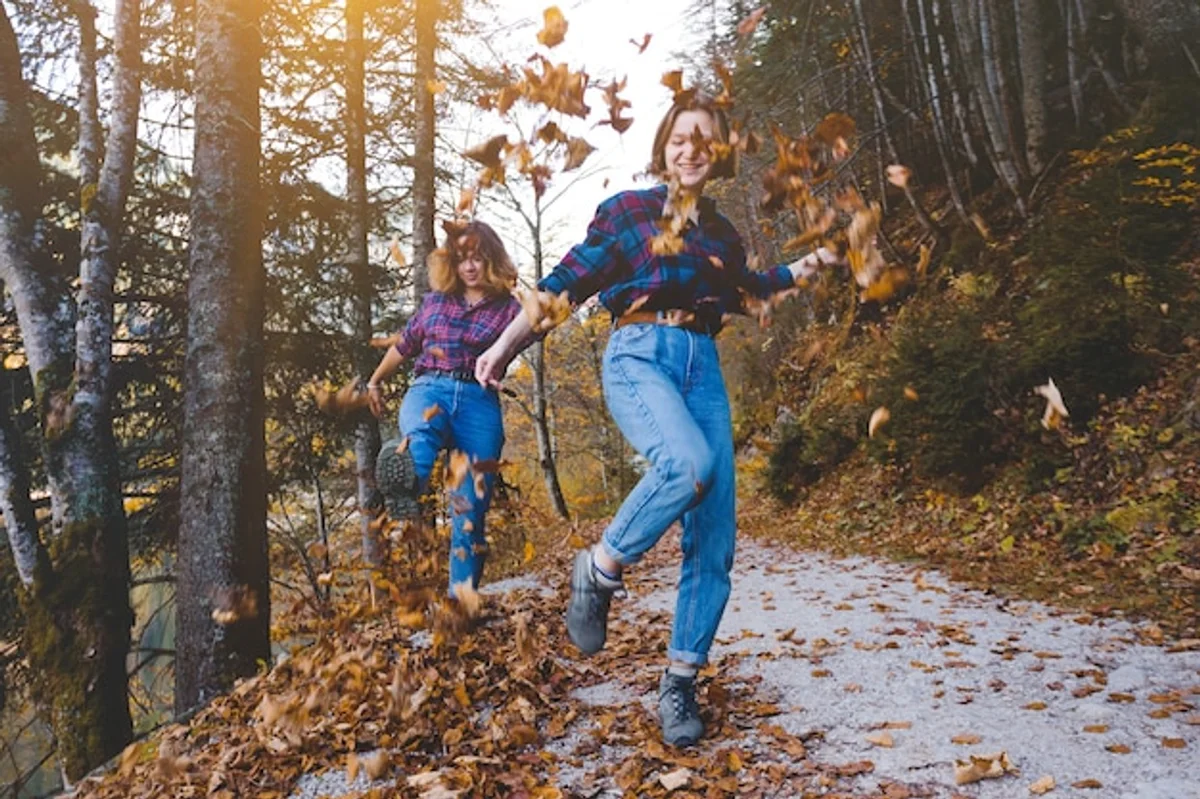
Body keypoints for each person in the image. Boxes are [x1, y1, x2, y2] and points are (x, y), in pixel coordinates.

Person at [474, 96, 839, 746]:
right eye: (680, 137)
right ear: (664, 146)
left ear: (718, 154)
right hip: (640, 352)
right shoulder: (628, 212)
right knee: (685, 465)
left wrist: (810, 265)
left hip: (704, 366)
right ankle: (600, 567)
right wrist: (503, 347)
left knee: (715, 541)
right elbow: (563, 286)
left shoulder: (721, 234)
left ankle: (680, 682)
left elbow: (752, 291)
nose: (691, 148)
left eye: (705, 139)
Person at [367, 219, 523, 596]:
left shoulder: (509, 309)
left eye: (478, 258)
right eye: (461, 259)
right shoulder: (436, 302)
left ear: (492, 261)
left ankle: (460, 601)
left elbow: (535, 327)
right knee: (419, 437)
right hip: (430, 388)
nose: (469, 267)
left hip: (478, 401)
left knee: (470, 509)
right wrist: (375, 380)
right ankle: (405, 486)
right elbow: (404, 345)